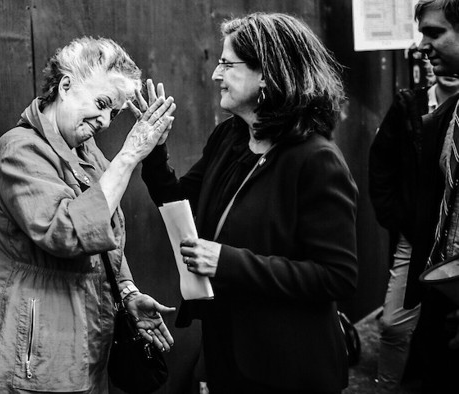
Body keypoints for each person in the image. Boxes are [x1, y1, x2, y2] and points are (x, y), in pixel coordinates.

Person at [140, 13, 358, 393]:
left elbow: (337, 276)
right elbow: (180, 205)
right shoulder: (231, 137)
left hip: (287, 367)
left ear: (267, 75)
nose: (215, 75)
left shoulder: (316, 159)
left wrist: (228, 262)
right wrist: (154, 152)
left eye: (227, 63)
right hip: (226, 353)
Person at [0, 37, 177, 394]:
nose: (105, 121)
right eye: (101, 104)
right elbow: (67, 232)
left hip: (85, 343)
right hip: (34, 356)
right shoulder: (19, 150)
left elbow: (104, 233)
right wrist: (129, 155)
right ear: (66, 85)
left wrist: (127, 292)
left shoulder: (84, 150)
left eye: (113, 113)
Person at [379, 1, 459, 392]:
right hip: (427, 249)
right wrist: (404, 218)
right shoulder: (434, 116)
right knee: (398, 325)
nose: (422, 44)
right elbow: (382, 168)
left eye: (434, 32)